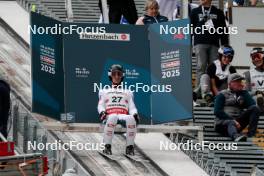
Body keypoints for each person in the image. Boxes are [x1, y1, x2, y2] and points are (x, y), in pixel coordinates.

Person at [97, 64, 139, 155]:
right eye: (114, 74)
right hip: (110, 116)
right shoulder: (104, 91)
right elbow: (100, 105)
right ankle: (107, 146)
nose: (116, 76)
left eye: (119, 74)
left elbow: (132, 107)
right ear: (110, 75)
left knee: (131, 118)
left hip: (122, 115)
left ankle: (130, 147)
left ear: (122, 76)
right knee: (112, 117)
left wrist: (135, 114)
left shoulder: (128, 92)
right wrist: (102, 112)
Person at [191, 0, 229, 93]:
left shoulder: (218, 12)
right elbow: (190, 28)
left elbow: (223, 30)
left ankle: (214, 91)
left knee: (215, 68)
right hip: (200, 43)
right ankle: (198, 92)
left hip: (214, 44)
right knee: (201, 66)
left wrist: (224, 46)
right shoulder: (195, 11)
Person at [214, 73, 260, 142]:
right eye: (237, 81)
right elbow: (217, 111)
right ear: (230, 83)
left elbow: (253, 106)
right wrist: (233, 120)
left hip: (238, 123)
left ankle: (251, 134)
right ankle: (235, 136)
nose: (240, 83)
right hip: (222, 123)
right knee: (230, 122)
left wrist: (244, 93)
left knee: (255, 108)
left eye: (240, 81)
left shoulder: (243, 93)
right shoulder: (222, 94)